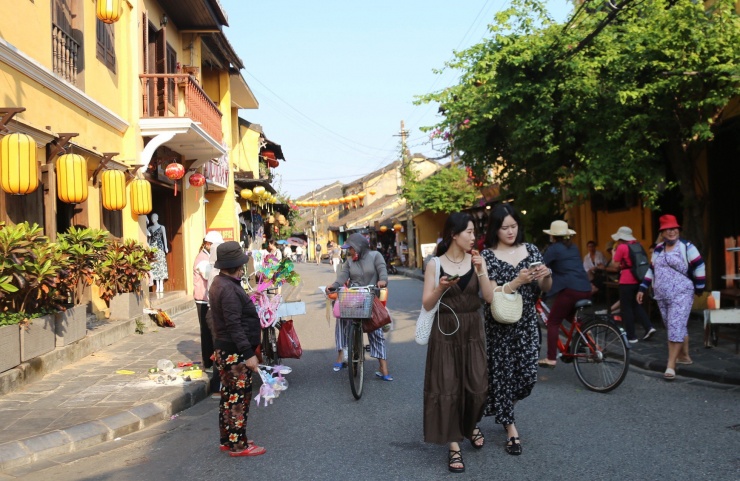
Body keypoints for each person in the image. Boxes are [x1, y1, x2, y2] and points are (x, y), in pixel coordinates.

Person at [422, 213, 492, 473]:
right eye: (470, 232)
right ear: (454, 234)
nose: (474, 237)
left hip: (473, 329)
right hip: (445, 332)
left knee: (478, 387)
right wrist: (440, 288)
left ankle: (470, 423)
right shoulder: (435, 264)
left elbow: (488, 298)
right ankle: (454, 446)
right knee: (448, 388)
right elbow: (427, 304)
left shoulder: (477, 261)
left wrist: (482, 270)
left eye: (475, 232)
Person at [481, 204, 551, 456]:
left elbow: (545, 287)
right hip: (500, 323)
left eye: (513, 226)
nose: (510, 232)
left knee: (528, 377)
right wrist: (518, 281)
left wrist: (546, 273)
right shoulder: (487, 255)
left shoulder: (531, 250)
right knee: (503, 374)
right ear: (495, 230)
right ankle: (511, 428)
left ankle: (502, 403)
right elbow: (489, 295)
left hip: (527, 323)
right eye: (504, 228)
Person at [208, 241, 266, 457]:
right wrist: (249, 354)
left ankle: (229, 439)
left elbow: (226, 316)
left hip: (226, 348)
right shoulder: (228, 288)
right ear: (235, 266)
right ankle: (239, 445)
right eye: (241, 265)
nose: (243, 268)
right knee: (238, 399)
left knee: (229, 396)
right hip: (235, 351)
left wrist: (249, 300)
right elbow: (233, 324)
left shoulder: (221, 282)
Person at [637, 215, 705, 381]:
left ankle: (671, 365)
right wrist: (642, 288)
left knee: (675, 326)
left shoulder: (687, 247)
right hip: (661, 295)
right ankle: (685, 357)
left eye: (674, 228)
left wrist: (700, 287)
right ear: (662, 232)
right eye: (668, 228)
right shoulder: (659, 249)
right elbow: (651, 270)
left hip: (682, 293)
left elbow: (700, 265)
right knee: (674, 325)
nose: (672, 231)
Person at [327, 233, 392, 379]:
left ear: (359, 247)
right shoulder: (349, 262)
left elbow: (382, 271)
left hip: (370, 298)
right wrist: (334, 286)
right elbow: (342, 277)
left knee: (376, 329)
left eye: (351, 248)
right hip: (353, 298)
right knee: (341, 318)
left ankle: (383, 367)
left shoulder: (375, 256)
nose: (349, 251)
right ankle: (341, 354)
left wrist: (382, 281)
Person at [539, 221, 592, 368]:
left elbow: (541, 265)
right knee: (569, 316)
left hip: (570, 290)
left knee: (553, 321)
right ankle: (585, 339)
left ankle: (550, 358)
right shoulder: (573, 247)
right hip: (585, 288)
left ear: (553, 236)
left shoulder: (554, 248)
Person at [611, 226, 656, 344]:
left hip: (626, 281)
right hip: (639, 279)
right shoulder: (638, 245)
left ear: (621, 237)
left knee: (627, 308)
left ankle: (631, 336)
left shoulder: (621, 247)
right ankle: (649, 327)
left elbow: (615, 265)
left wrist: (614, 254)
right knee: (636, 305)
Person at [193, 231, 224, 395]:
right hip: (203, 300)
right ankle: (208, 361)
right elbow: (208, 275)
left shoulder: (209, 258)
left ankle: (210, 360)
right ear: (207, 244)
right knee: (207, 332)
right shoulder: (203, 259)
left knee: (209, 332)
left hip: (208, 300)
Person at [147, 213, 168, 293]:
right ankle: (157, 285)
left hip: (160, 247)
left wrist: (166, 247)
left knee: (161, 265)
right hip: (153, 247)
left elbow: (164, 238)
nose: (153, 219)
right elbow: (149, 239)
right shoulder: (149, 228)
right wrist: (148, 247)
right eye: (152, 218)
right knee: (154, 265)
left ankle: (161, 284)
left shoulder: (162, 227)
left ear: (157, 218)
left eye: (154, 217)